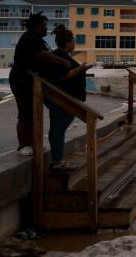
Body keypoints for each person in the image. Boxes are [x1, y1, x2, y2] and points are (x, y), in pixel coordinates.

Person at [9, 13, 72, 156]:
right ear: (36, 26)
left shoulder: (38, 40)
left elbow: (47, 53)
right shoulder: (29, 39)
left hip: (33, 82)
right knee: (25, 113)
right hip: (21, 80)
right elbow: (41, 55)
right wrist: (62, 61)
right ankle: (23, 145)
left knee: (33, 113)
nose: (46, 29)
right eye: (44, 26)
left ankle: (33, 142)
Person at [45, 25, 93, 169]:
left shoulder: (59, 56)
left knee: (56, 128)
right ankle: (58, 161)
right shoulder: (59, 57)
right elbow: (63, 76)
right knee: (58, 129)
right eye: (73, 41)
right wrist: (81, 68)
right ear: (67, 43)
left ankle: (56, 159)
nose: (74, 43)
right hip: (63, 100)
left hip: (62, 99)